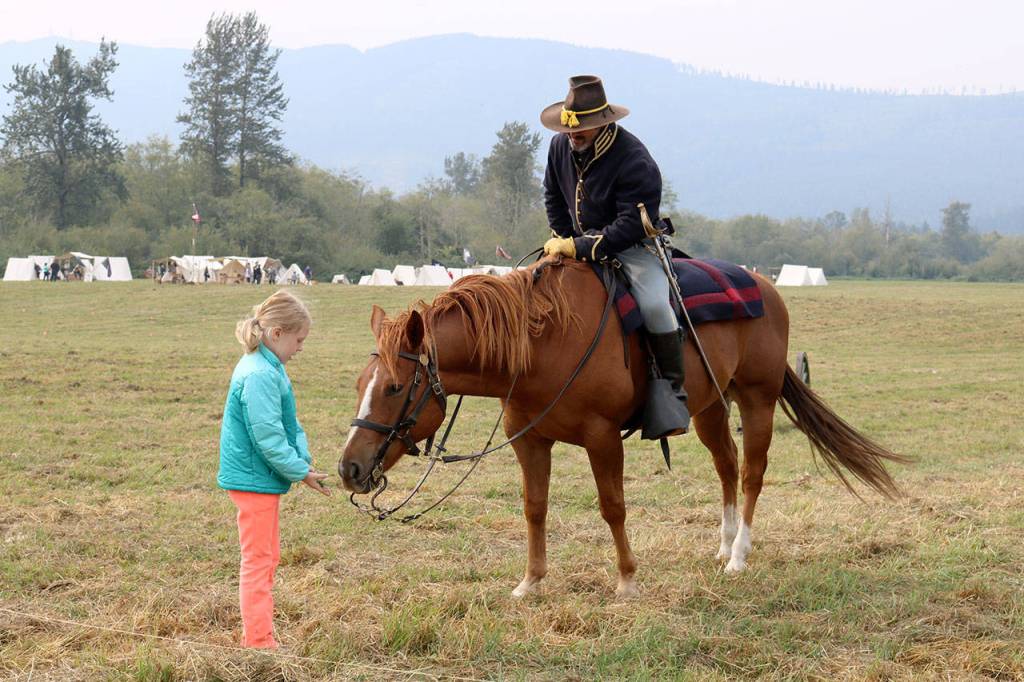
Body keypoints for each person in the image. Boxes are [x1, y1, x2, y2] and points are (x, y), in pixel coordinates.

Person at [540, 75, 688, 419]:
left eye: (580, 132)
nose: (572, 137)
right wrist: (563, 240)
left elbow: (631, 225)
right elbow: (552, 195)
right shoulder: (560, 145)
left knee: (654, 307)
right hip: (575, 245)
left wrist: (577, 246)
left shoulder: (634, 159)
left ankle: (671, 396)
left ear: (602, 125)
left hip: (633, 249)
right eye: (568, 132)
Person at [217, 289, 330, 649]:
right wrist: (301, 472)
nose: (300, 348)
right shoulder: (260, 374)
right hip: (253, 480)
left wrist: (303, 461)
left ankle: (258, 636)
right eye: (299, 340)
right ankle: (259, 643)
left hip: (260, 478)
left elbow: (288, 423)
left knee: (267, 556)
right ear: (277, 333)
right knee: (258, 561)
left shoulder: (269, 366)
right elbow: (267, 437)